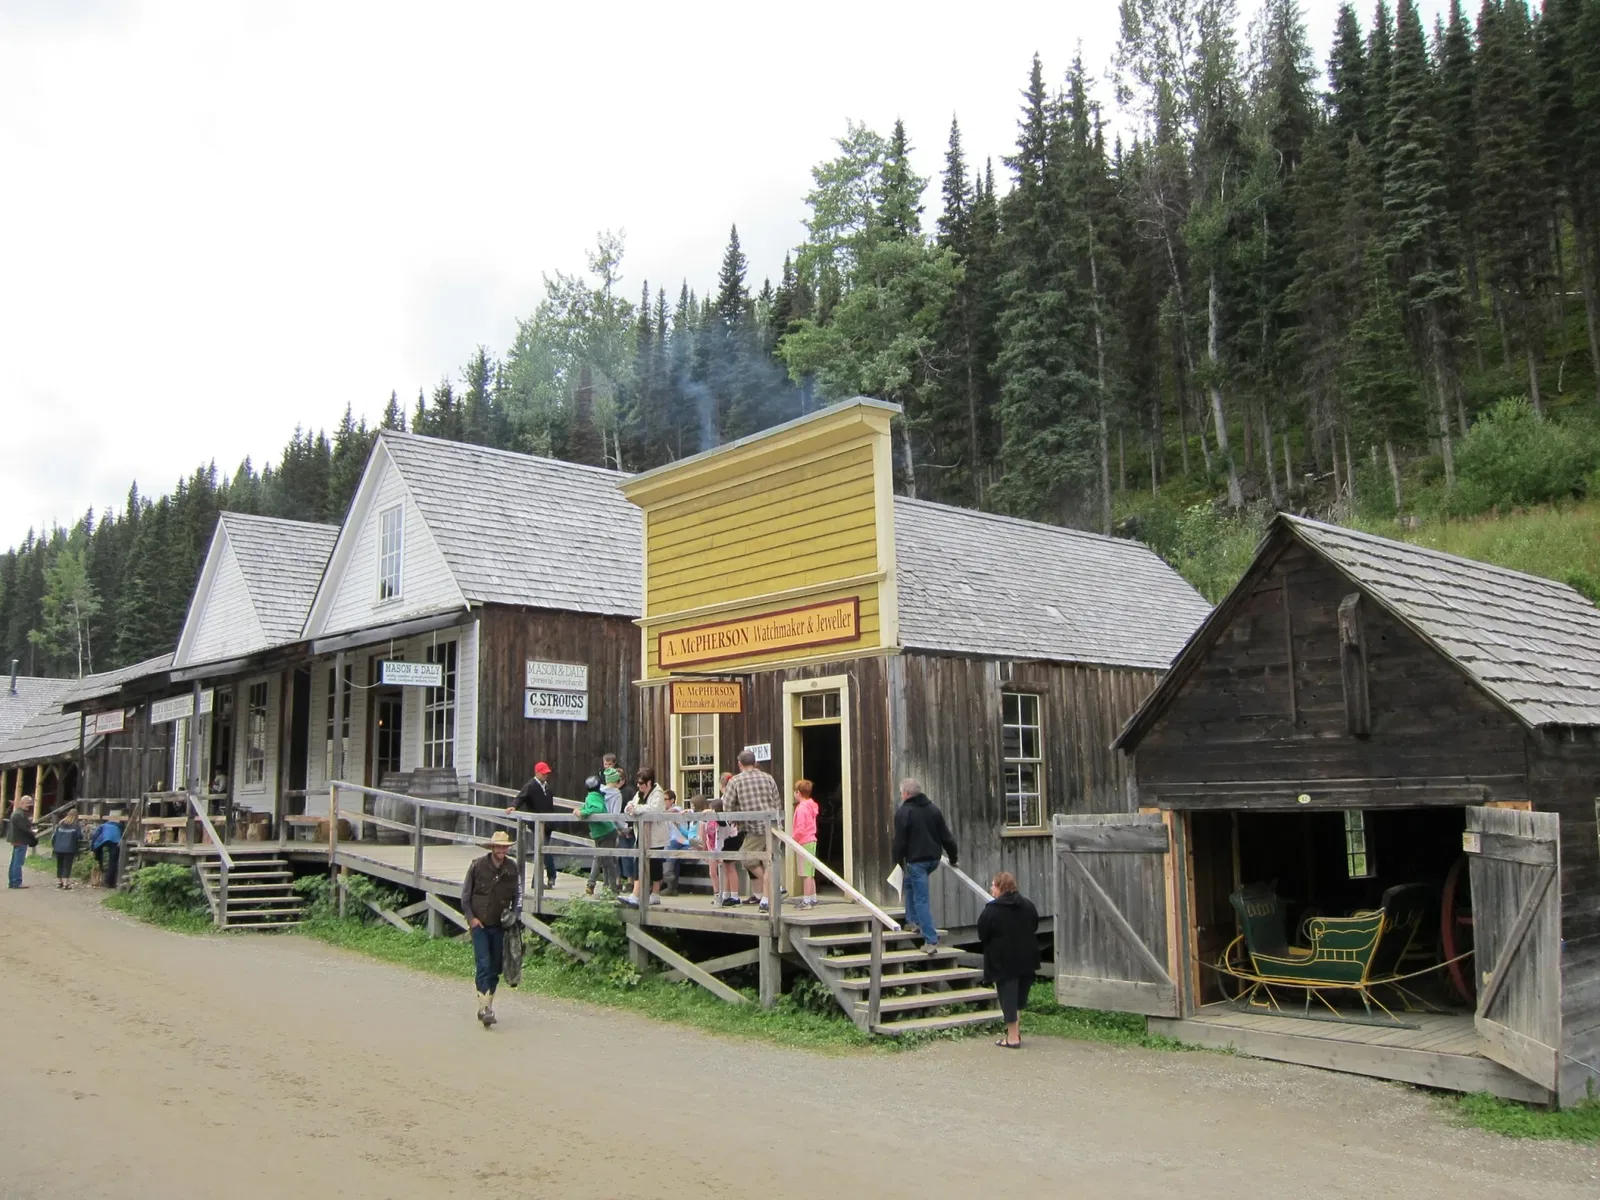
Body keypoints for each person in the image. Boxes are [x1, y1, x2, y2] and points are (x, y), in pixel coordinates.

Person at [461, 829, 521, 1027]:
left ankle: (486, 1006)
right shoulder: (477, 866)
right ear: (492, 847)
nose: (502, 850)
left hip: (499, 925)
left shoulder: (512, 868)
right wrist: (471, 919)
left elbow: (517, 896)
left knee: (495, 967)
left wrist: (514, 916)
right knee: (483, 964)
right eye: (499, 846)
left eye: (505, 847)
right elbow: (465, 896)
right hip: (479, 923)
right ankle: (485, 1008)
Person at [891, 778, 959, 953]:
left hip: (916, 861)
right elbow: (947, 837)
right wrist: (953, 857)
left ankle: (930, 940)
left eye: (901, 793)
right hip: (933, 860)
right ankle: (912, 921)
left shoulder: (904, 812)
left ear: (905, 793)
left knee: (921, 899)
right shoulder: (933, 810)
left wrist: (897, 861)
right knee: (909, 883)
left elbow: (899, 841)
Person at [978, 871, 1040, 1049]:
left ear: (1000, 888)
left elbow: (982, 934)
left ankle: (1012, 1038)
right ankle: (1015, 1032)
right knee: (1019, 998)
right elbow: (1034, 925)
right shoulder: (1028, 905)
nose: (991, 888)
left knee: (1008, 998)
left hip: (1003, 961)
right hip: (1027, 958)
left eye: (993, 885)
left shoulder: (992, 910)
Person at [720, 750, 781, 912]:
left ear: (740, 763)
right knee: (768, 862)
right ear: (754, 762)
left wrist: (737, 818)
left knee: (748, 860)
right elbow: (777, 803)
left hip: (754, 828)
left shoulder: (736, 781)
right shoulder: (768, 778)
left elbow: (727, 806)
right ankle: (766, 900)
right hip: (773, 827)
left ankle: (776, 888)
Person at [622, 768, 668, 907]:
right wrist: (630, 807)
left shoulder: (658, 794)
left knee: (655, 864)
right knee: (639, 862)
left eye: (641, 783)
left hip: (655, 835)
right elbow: (632, 804)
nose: (639, 786)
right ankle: (636, 895)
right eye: (637, 783)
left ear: (649, 782)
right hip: (641, 834)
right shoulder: (639, 794)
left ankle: (655, 893)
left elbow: (654, 809)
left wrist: (636, 809)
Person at [510, 760, 558, 889]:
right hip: (537, 823)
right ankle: (551, 876)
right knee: (544, 849)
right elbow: (521, 797)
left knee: (542, 850)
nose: (545, 775)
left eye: (547, 773)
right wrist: (514, 806)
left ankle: (537, 881)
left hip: (548, 823)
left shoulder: (547, 787)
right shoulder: (531, 786)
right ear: (537, 773)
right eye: (543, 773)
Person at [580, 775, 619, 895]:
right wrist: (583, 809)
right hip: (602, 832)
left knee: (606, 860)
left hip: (606, 833)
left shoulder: (593, 796)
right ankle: (604, 887)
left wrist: (582, 812)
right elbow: (591, 806)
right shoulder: (595, 796)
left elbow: (597, 809)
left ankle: (610, 888)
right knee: (602, 859)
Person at [602, 766, 633, 892]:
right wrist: (624, 828)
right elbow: (615, 814)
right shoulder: (615, 793)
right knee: (614, 857)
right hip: (616, 827)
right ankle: (615, 883)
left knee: (622, 855)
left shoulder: (628, 792)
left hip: (608, 827)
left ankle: (619, 883)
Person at [791, 780, 820, 909]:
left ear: (798, 793)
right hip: (811, 840)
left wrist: (793, 839)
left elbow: (800, 827)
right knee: (810, 871)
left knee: (805, 873)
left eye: (795, 791)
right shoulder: (811, 805)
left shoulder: (801, 808)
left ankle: (807, 901)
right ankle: (813, 897)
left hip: (804, 841)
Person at [661, 790, 692, 897]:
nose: (662, 801)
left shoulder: (677, 808)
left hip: (683, 840)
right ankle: (671, 887)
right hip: (673, 842)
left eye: (664, 799)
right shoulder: (664, 811)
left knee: (669, 849)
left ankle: (668, 883)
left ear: (672, 800)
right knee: (672, 855)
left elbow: (673, 811)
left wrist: (659, 812)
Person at [7, 795, 37, 889]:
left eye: (30, 803)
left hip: (17, 839)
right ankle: (16, 882)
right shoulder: (19, 814)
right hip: (20, 840)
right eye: (27, 803)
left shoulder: (18, 813)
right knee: (18, 862)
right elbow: (24, 828)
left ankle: (13, 881)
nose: (29, 805)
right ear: (22, 802)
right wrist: (32, 832)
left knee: (14, 862)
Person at [52, 808, 84, 890]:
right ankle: (66, 884)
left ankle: (60, 882)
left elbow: (54, 836)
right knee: (67, 865)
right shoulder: (76, 825)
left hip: (58, 848)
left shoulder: (61, 823)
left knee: (59, 865)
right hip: (69, 848)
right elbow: (79, 836)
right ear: (76, 816)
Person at [91, 815, 123, 889]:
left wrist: (92, 849)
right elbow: (122, 835)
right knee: (113, 861)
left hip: (103, 840)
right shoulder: (120, 826)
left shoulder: (103, 826)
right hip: (115, 842)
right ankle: (109, 882)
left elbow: (95, 836)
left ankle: (101, 866)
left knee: (98, 854)